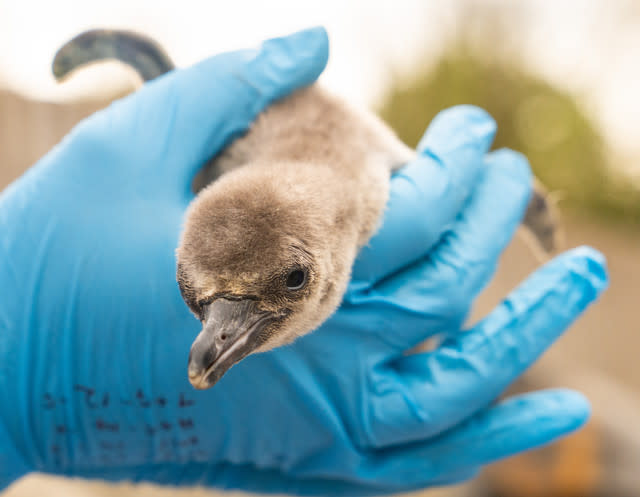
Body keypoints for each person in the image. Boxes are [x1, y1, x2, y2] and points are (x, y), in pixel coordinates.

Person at [0, 27, 607, 495]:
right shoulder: (239, 160)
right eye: (196, 296)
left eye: (291, 280)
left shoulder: (372, 172)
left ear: (328, 251)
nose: (214, 342)